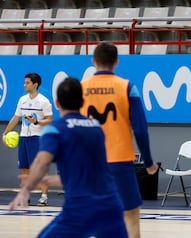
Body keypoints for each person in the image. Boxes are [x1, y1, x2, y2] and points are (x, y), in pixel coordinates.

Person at [9, 77, 128, 238]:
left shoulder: (55, 130)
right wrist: (50, 180)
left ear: (57, 103)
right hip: (111, 206)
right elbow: (91, 173)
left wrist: (26, 189)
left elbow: (42, 161)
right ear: (82, 101)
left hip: (80, 208)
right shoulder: (96, 128)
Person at [80, 42, 159, 238]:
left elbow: (70, 127)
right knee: (131, 214)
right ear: (116, 61)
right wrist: (148, 162)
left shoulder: (80, 88)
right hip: (119, 160)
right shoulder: (127, 87)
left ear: (93, 61)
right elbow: (140, 129)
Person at [2, 73, 52, 206]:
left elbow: (49, 120)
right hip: (24, 137)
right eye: (24, 82)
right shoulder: (22, 100)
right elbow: (15, 118)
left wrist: (36, 122)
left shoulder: (44, 101)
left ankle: (44, 196)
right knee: (24, 168)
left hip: (38, 138)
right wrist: (5, 133)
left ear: (35, 85)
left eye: (27, 83)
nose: (25, 85)